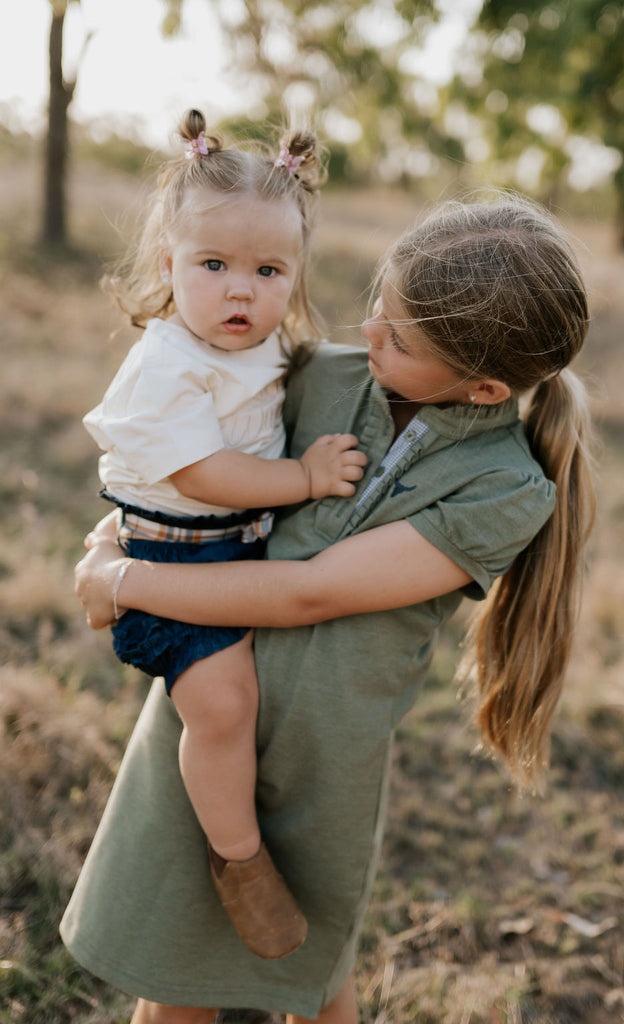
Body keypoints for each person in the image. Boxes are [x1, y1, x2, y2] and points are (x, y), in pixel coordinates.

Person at [64, 194, 596, 1024]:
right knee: (175, 968)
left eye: (400, 338)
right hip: (210, 705)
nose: (369, 331)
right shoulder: (316, 374)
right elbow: (185, 468)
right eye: (379, 305)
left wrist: (122, 582)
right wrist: (117, 537)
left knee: (311, 975)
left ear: (485, 386)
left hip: (328, 750)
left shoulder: (504, 489)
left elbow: (307, 591)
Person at [80, 109, 367, 961]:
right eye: (214, 265)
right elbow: (206, 474)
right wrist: (304, 480)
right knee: (223, 704)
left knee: (258, 701)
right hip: (173, 557)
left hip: (234, 549)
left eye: (267, 270)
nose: (241, 291)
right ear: (167, 265)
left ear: (295, 274)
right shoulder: (166, 362)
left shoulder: (266, 345)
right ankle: (239, 862)